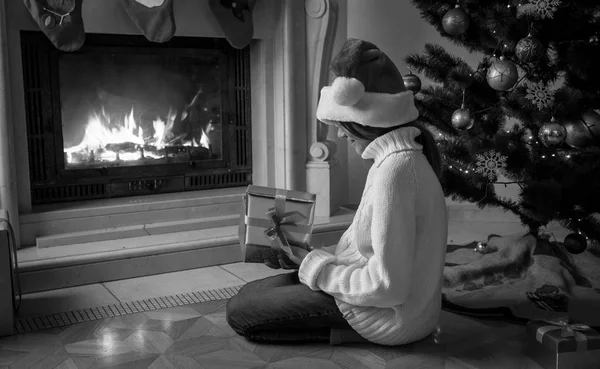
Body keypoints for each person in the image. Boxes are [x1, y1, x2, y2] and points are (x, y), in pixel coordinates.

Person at [226, 38, 448, 346]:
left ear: (368, 120)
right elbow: (370, 252)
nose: (340, 133)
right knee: (252, 292)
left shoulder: (394, 173)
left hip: (389, 318)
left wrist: (313, 266)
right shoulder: (396, 161)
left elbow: (387, 287)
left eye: (344, 124)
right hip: (390, 303)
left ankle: (345, 336)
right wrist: (311, 257)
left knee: (240, 311)